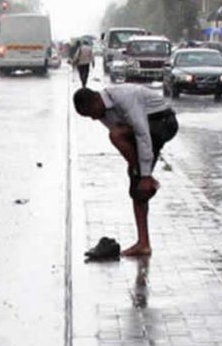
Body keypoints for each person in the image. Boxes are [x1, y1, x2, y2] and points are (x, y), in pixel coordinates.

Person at [72, 85, 178, 256]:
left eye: (91, 113)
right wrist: (136, 168)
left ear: (96, 100)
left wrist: (144, 174)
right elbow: (123, 135)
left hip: (163, 122)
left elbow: (141, 133)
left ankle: (145, 180)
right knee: (135, 180)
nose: (93, 118)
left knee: (118, 140)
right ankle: (143, 243)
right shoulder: (102, 110)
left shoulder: (124, 98)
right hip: (147, 125)